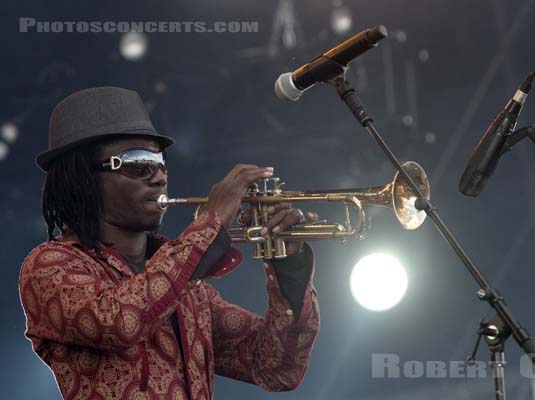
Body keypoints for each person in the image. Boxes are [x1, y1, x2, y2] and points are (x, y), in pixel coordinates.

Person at [19, 87, 320, 400]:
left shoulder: (186, 282)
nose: (159, 176)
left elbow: (276, 368)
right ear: (82, 178)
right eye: (138, 163)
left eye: (161, 162)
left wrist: (290, 264)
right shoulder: (49, 265)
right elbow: (119, 321)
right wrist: (210, 223)